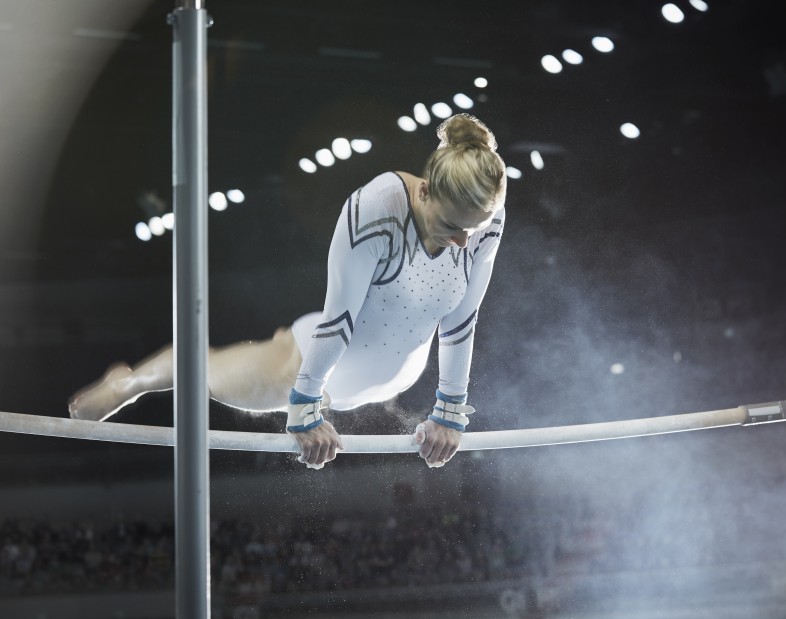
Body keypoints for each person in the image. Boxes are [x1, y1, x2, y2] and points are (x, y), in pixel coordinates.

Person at [68, 113, 507, 470]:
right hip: (317, 362)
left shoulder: (483, 217)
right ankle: (129, 383)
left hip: (399, 370)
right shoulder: (377, 209)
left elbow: (461, 317)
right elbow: (340, 319)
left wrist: (450, 407)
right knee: (205, 373)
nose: (464, 243)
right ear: (425, 192)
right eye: (451, 227)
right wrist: (303, 404)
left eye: (473, 229)